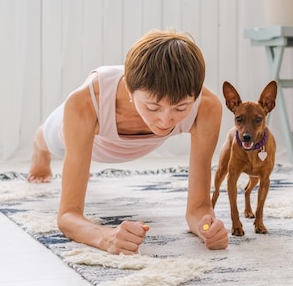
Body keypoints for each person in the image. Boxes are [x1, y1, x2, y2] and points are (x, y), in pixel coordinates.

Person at [27, 29, 229, 254]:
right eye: (153, 107)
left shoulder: (207, 107)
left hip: (138, 146)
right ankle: (39, 150)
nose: (166, 120)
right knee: (46, 138)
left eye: (181, 108)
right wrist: (105, 237)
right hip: (77, 138)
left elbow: (198, 208)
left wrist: (207, 227)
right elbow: (67, 216)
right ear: (130, 91)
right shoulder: (85, 101)